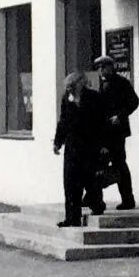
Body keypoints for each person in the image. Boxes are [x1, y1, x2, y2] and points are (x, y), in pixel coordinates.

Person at [52, 72, 105, 228]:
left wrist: (103, 144)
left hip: (90, 146)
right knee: (70, 182)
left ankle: (97, 205)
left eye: (72, 85)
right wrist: (58, 142)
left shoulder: (94, 97)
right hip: (72, 146)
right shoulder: (66, 98)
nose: (69, 88)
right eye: (68, 86)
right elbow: (63, 121)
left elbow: (101, 123)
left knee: (90, 179)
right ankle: (72, 217)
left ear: (81, 83)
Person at [90, 54, 139, 211]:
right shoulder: (101, 84)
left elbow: (134, 101)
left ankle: (127, 199)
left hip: (117, 131)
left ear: (110, 67)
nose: (100, 70)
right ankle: (92, 196)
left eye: (103, 67)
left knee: (119, 164)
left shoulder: (121, 83)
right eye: (98, 68)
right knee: (98, 163)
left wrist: (120, 116)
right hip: (104, 131)